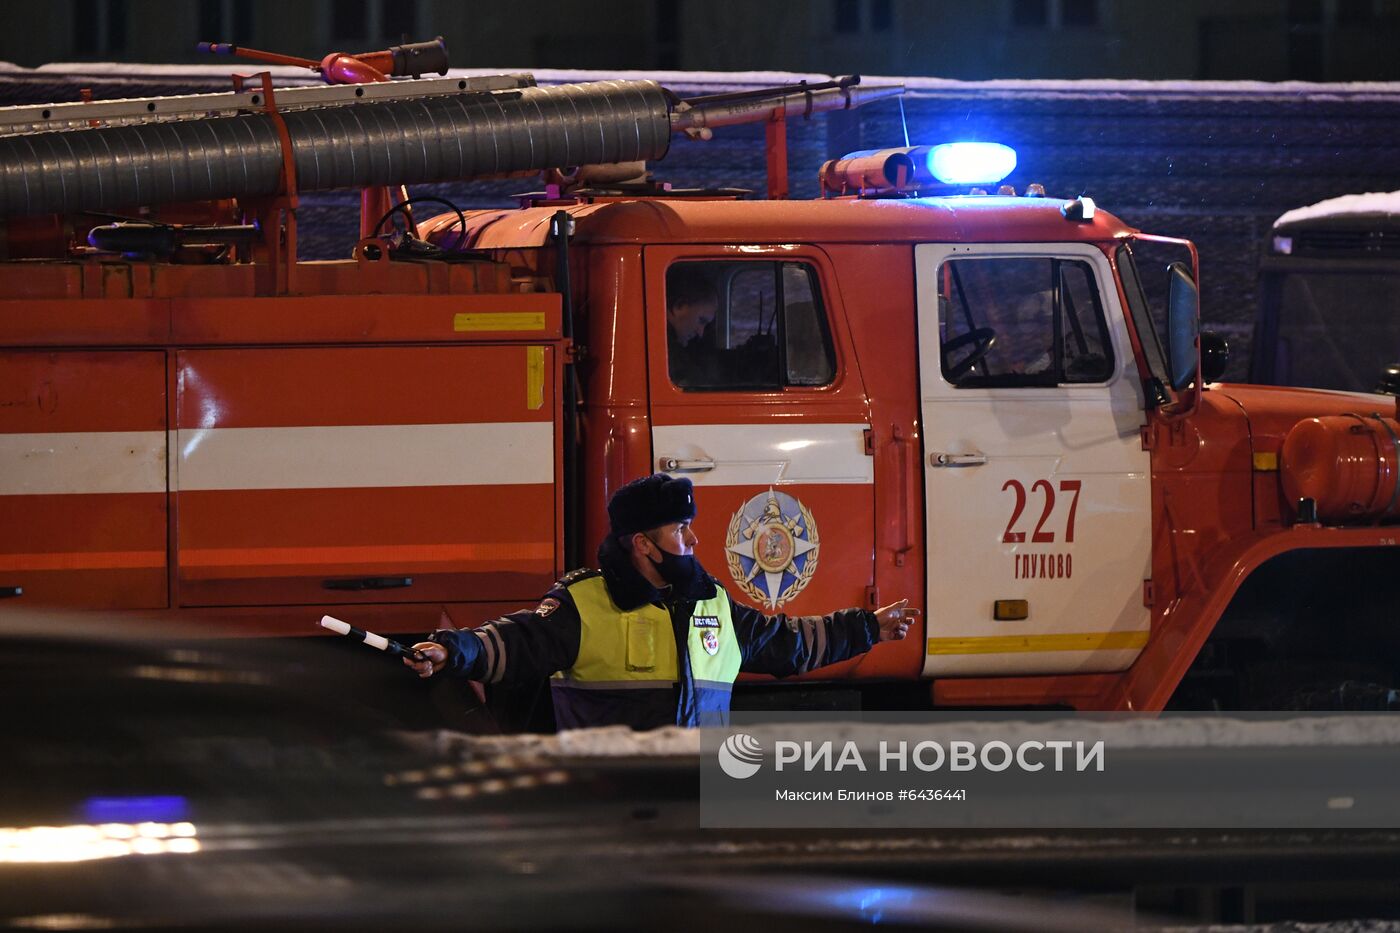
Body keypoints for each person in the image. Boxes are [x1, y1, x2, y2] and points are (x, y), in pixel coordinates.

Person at [406, 473, 913, 729]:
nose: (692, 541)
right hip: (607, 815)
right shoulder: (585, 602)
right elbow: (515, 643)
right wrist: (452, 652)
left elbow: (785, 644)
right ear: (642, 543)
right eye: (679, 530)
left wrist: (868, 627)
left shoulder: (710, 602)